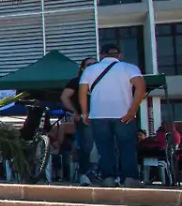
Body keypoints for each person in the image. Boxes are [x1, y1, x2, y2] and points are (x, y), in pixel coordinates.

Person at [79, 44, 147, 187]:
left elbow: (82, 92)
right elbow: (141, 87)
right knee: (127, 147)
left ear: (101, 55)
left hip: (98, 115)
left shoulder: (90, 70)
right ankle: (130, 178)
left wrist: (85, 112)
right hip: (124, 114)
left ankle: (108, 178)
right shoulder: (129, 68)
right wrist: (133, 110)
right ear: (120, 55)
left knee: (104, 148)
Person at [60, 57, 97, 184]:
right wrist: (74, 112)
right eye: (89, 64)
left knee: (106, 145)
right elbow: (64, 97)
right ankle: (83, 173)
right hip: (84, 117)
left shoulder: (101, 81)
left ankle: (103, 173)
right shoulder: (76, 81)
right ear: (82, 68)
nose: (92, 66)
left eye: (95, 64)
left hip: (101, 117)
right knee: (86, 145)